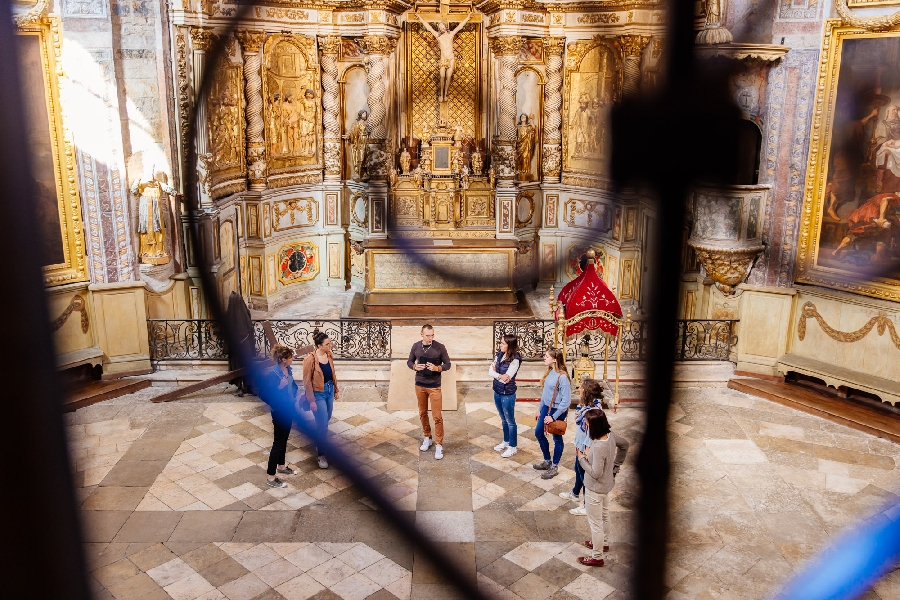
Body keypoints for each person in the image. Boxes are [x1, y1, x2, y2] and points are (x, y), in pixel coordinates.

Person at [577, 409, 629, 567]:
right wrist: (616, 465)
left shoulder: (599, 446)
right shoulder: (610, 436)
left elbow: (596, 472)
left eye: (587, 423)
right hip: (607, 485)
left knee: (596, 524)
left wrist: (582, 459)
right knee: (605, 516)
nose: (585, 424)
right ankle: (604, 543)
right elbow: (625, 445)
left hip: (595, 489)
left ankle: (597, 556)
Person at [560, 379, 605, 514]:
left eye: (580, 387)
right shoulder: (585, 405)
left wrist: (585, 452)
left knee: (585, 475)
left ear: (585, 391)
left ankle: (587, 505)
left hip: (587, 447)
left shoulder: (594, 411)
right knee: (577, 469)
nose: (578, 389)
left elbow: (592, 433)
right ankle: (575, 493)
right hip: (580, 443)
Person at [407, 324, 451, 460]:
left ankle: (439, 444)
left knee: (437, 416)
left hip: (434, 386)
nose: (430, 338)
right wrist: (415, 366)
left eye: (432, 335)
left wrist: (437, 368)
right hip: (419, 384)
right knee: (422, 413)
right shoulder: (416, 346)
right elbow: (409, 362)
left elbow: (448, 364)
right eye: (428, 335)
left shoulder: (439, 347)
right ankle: (427, 437)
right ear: (421, 335)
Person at [303, 332, 340, 469]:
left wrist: (335, 390)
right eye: (327, 344)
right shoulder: (310, 360)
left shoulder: (329, 355)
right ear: (319, 346)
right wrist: (311, 400)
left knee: (327, 418)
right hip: (318, 393)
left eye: (330, 343)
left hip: (329, 389)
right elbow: (307, 382)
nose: (330, 345)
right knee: (322, 422)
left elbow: (332, 373)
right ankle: (321, 454)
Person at [532, 348, 570, 479]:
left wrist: (553, 416)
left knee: (557, 438)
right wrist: (539, 409)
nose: (544, 357)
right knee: (538, 433)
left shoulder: (563, 377)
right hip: (546, 409)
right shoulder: (550, 372)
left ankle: (554, 466)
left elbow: (566, 401)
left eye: (546, 356)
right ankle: (547, 460)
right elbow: (545, 395)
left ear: (555, 359)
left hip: (556, 411)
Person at [265, 345, 300, 488]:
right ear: (284, 359)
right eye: (291, 357)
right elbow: (265, 395)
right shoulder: (273, 374)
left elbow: (292, 386)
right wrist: (279, 388)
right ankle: (271, 477)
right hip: (279, 412)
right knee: (278, 442)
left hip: (289, 409)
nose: (293, 358)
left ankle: (281, 466)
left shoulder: (288, 369)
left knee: (284, 439)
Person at [490, 334, 521, 458]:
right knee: (503, 420)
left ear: (510, 346)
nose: (500, 345)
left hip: (507, 394)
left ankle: (513, 447)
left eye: (503, 343)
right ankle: (506, 441)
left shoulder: (515, 359)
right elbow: (489, 371)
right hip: (497, 391)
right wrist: (499, 375)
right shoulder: (499, 355)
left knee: (510, 421)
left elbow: (506, 379)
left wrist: (496, 374)